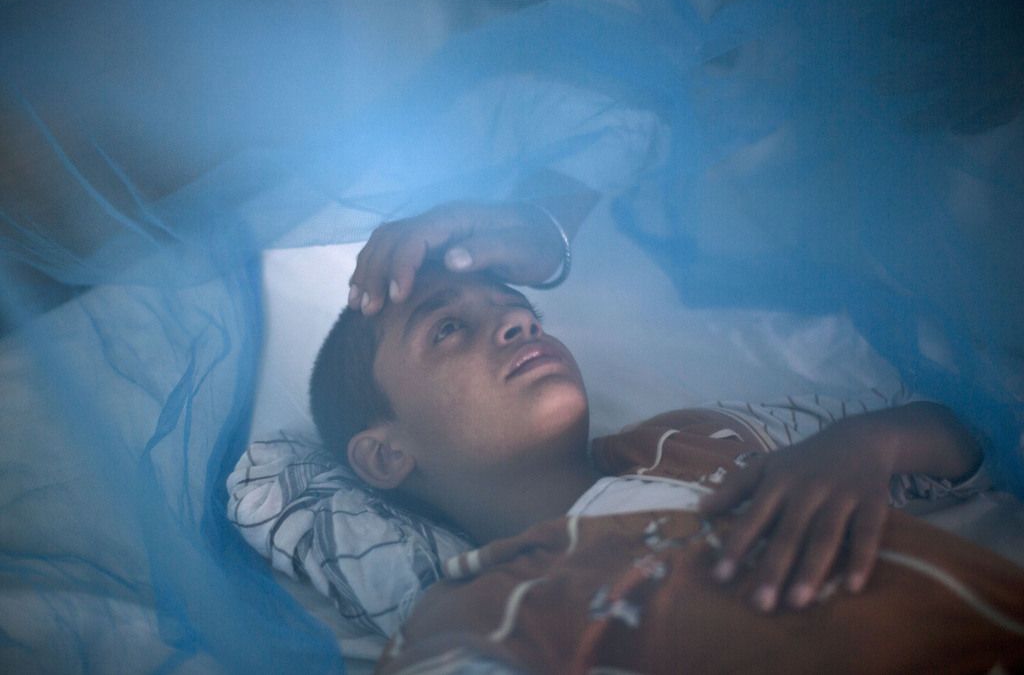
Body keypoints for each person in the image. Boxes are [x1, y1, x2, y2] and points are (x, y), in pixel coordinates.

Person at [315, 199, 985, 613]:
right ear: (385, 452)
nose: (520, 323)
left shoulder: (701, 434)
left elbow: (978, 439)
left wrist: (870, 444)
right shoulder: (483, 607)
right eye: (447, 328)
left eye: (519, 309)